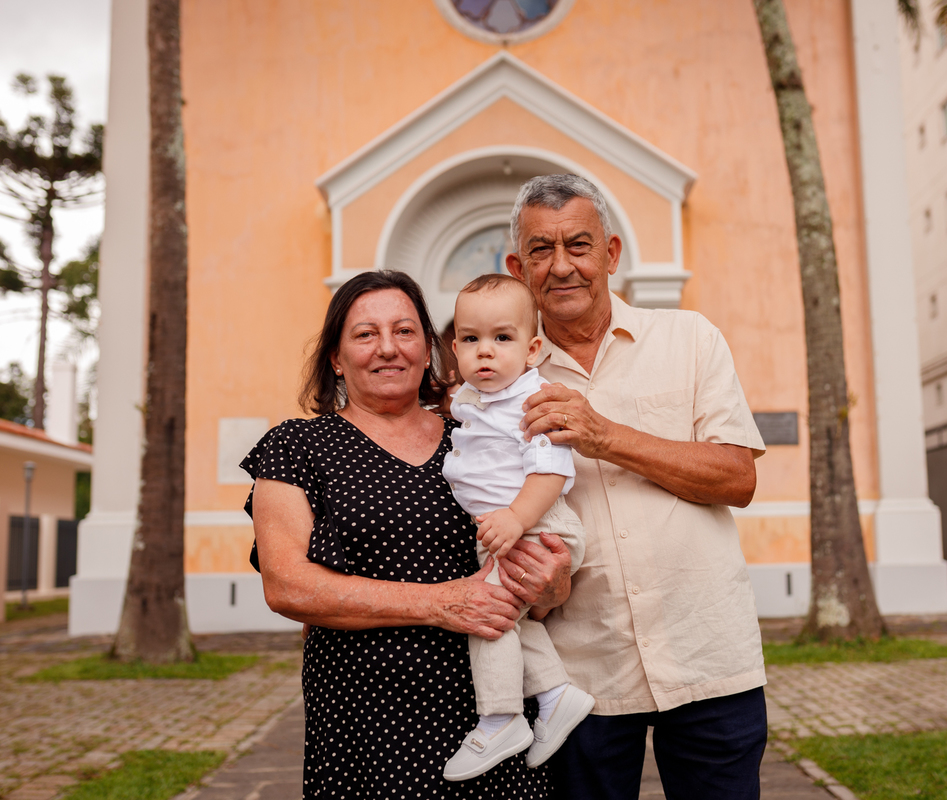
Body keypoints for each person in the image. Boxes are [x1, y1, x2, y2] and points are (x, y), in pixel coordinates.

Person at [240, 269, 570, 799]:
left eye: (405, 331)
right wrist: (439, 603)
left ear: (430, 349)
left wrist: (550, 586)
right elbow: (287, 586)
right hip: (367, 720)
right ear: (336, 356)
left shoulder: (479, 436)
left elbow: (539, 568)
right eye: (366, 334)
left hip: (493, 712)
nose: (387, 349)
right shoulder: (295, 447)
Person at [503, 174, 769, 799]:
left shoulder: (690, 339)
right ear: (518, 267)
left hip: (708, 658)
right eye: (541, 250)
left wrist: (604, 436)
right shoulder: (499, 381)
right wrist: (530, 586)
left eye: (579, 245)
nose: (562, 266)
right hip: (577, 677)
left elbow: (737, 476)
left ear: (611, 254)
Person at [440, 274, 594, 781]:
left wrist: (517, 518)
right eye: (471, 339)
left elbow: (551, 471)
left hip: (536, 522)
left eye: (501, 339)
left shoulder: (535, 399)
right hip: (507, 529)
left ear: (531, 349)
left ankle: (501, 717)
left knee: (486, 613)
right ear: (454, 345)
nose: (485, 352)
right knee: (514, 620)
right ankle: (554, 694)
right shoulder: (471, 398)